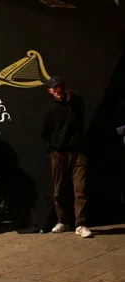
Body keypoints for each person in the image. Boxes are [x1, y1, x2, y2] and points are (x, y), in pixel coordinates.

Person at [42, 77, 91, 238]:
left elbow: (76, 122)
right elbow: (45, 132)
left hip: (77, 152)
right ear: (50, 91)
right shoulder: (50, 108)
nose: (57, 90)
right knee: (59, 189)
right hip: (59, 152)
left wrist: (70, 103)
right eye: (54, 88)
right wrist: (53, 149)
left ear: (64, 87)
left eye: (59, 87)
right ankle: (62, 221)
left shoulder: (77, 103)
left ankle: (81, 224)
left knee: (80, 188)